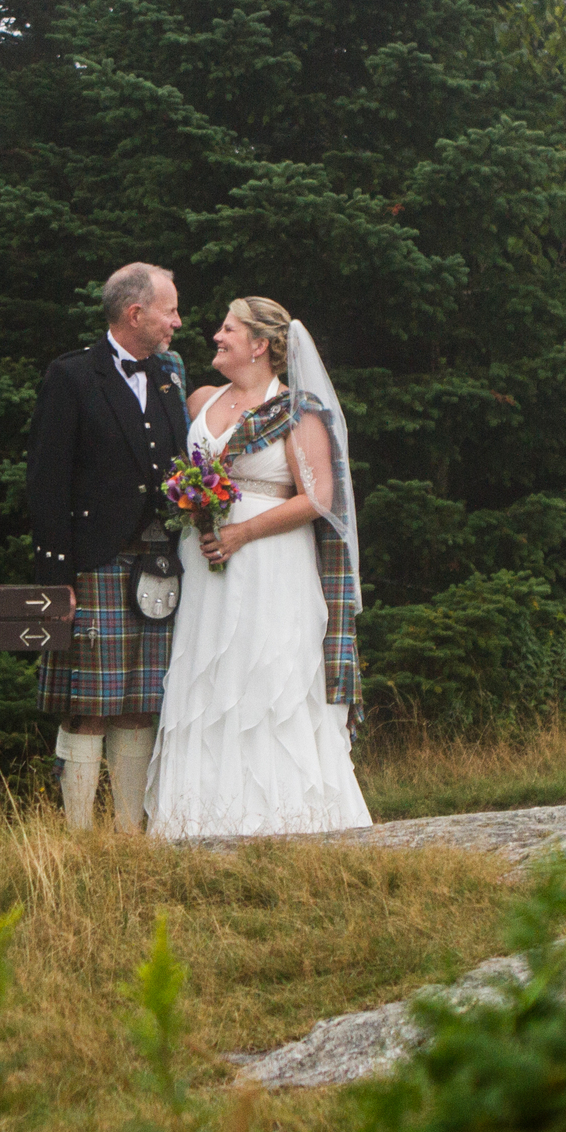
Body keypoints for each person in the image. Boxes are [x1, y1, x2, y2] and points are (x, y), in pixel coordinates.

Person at [144, 297, 371, 839]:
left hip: (271, 566)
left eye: (228, 329)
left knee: (266, 675)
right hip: (204, 566)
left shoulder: (297, 409)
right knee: (207, 674)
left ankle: (289, 821)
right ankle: (194, 824)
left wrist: (243, 532)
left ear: (260, 345)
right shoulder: (201, 399)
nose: (216, 336)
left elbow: (318, 498)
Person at [27, 262, 189, 831]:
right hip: (95, 561)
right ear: (134, 312)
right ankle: (77, 834)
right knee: (89, 706)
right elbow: (47, 481)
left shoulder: (169, 377)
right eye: (169, 310)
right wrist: (57, 577)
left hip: (161, 564)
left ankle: (127, 832)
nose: (177, 321)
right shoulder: (71, 376)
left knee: (143, 704)